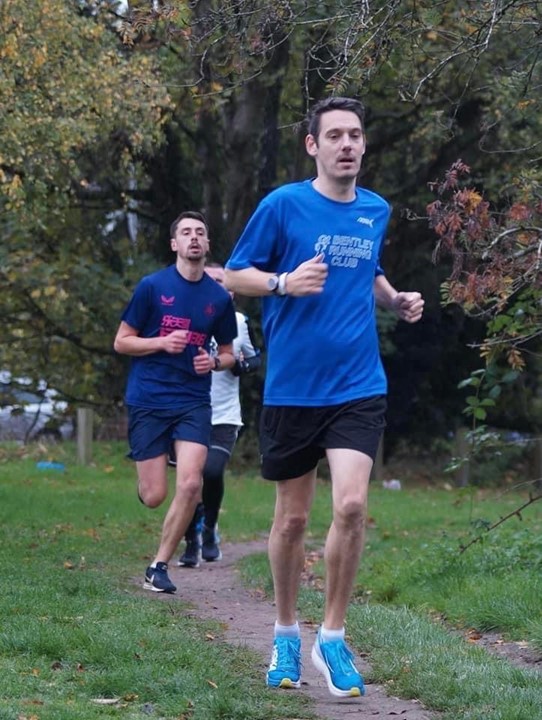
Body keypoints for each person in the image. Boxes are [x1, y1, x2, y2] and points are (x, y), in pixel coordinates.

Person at [224, 96, 424, 699]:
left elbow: (369, 268)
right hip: (293, 389)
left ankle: (332, 638)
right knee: (292, 519)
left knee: (353, 506)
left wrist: (394, 298)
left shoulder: (375, 209)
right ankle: (286, 632)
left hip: (358, 385)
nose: (346, 144)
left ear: (364, 144)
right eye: (334, 135)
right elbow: (234, 274)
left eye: (355, 134)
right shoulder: (283, 205)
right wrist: (283, 282)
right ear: (313, 145)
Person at [113, 211, 238, 594]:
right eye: (186, 232)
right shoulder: (152, 287)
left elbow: (230, 353)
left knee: (191, 483)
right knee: (154, 496)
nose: (194, 237)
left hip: (192, 400)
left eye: (200, 232)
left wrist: (213, 362)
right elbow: (122, 341)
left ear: (207, 243)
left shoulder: (218, 298)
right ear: (174, 244)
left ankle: (158, 566)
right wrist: (161, 343)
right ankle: (147, 478)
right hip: (149, 398)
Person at [176, 262, 261, 567]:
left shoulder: (238, 322)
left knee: (211, 472)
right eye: (208, 280)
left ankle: (209, 527)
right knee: (190, 480)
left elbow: (254, 359)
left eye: (220, 281)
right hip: (187, 411)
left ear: (231, 291)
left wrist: (240, 365)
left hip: (224, 414)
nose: (214, 286)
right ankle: (191, 540)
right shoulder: (181, 317)